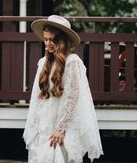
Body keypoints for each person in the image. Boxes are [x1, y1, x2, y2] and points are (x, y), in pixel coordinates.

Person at [23, 15, 103, 163]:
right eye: (46, 39)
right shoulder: (43, 63)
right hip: (45, 118)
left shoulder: (72, 62)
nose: (48, 43)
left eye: (53, 40)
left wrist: (61, 128)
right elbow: (36, 96)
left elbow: (72, 96)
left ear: (63, 40)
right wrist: (34, 123)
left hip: (61, 120)